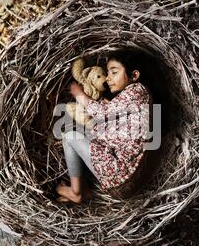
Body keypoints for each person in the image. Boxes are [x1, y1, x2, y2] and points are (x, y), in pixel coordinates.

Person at [56, 48, 153, 204]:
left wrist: (78, 93)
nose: (108, 78)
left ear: (134, 75)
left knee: (69, 136)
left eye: (114, 72)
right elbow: (106, 130)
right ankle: (83, 189)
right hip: (125, 179)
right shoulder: (134, 98)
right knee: (80, 133)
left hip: (121, 177)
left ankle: (76, 193)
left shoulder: (137, 90)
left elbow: (102, 113)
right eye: (107, 73)